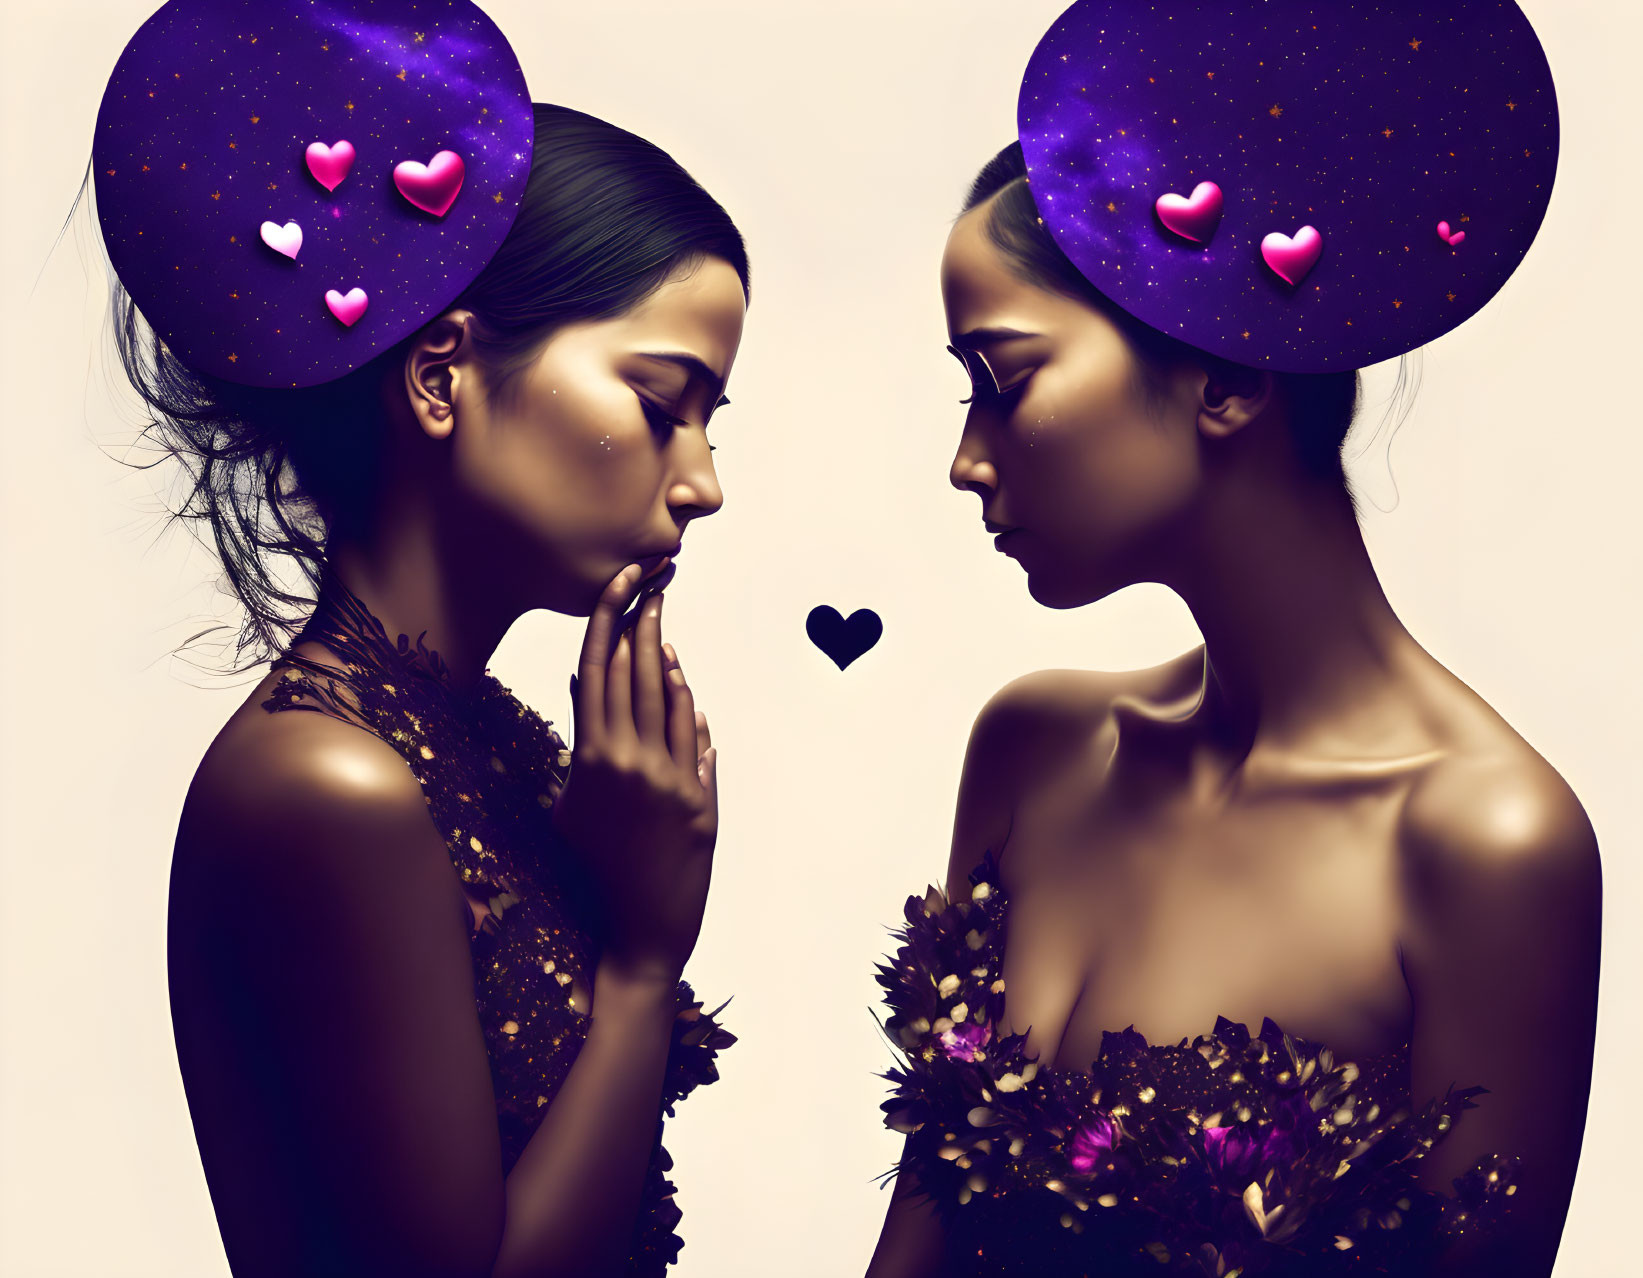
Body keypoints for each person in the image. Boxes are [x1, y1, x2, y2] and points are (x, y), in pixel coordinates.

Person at [866, 3, 1598, 1276]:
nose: (965, 461)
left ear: (1227, 378)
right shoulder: (1031, 752)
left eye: (1004, 379)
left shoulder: (1484, 845)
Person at [89, 3, 745, 1275]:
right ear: (442, 376)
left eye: (713, 421)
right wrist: (641, 958)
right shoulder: (328, 785)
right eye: (663, 406)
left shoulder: (475, 744)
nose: (704, 481)